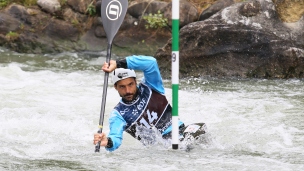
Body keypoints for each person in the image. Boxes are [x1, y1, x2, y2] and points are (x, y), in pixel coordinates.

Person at [93, 55, 205, 152]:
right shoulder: (118, 114)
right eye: (122, 87)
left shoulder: (151, 86)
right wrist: (108, 142)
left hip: (180, 132)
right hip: (160, 149)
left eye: (130, 84)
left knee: (201, 128)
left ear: (135, 82)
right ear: (116, 87)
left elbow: (150, 63)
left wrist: (119, 63)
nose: (127, 91)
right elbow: (115, 139)